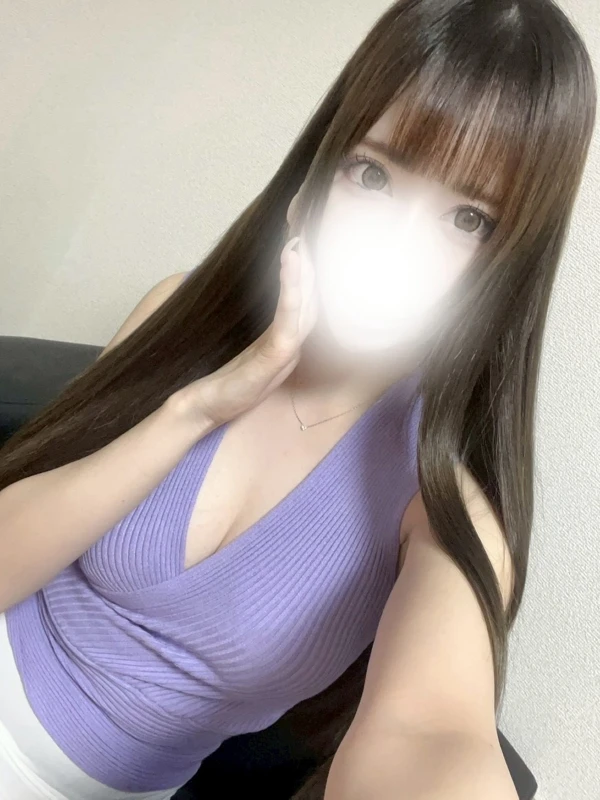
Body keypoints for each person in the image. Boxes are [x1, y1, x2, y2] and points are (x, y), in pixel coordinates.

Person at [0, 0, 596, 798]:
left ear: (508, 264)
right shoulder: (180, 315)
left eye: (468, 218)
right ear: (315, 177)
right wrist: (195, 409)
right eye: (373, 174)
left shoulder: (449, 505)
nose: (398, 242)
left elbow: (434, 732)